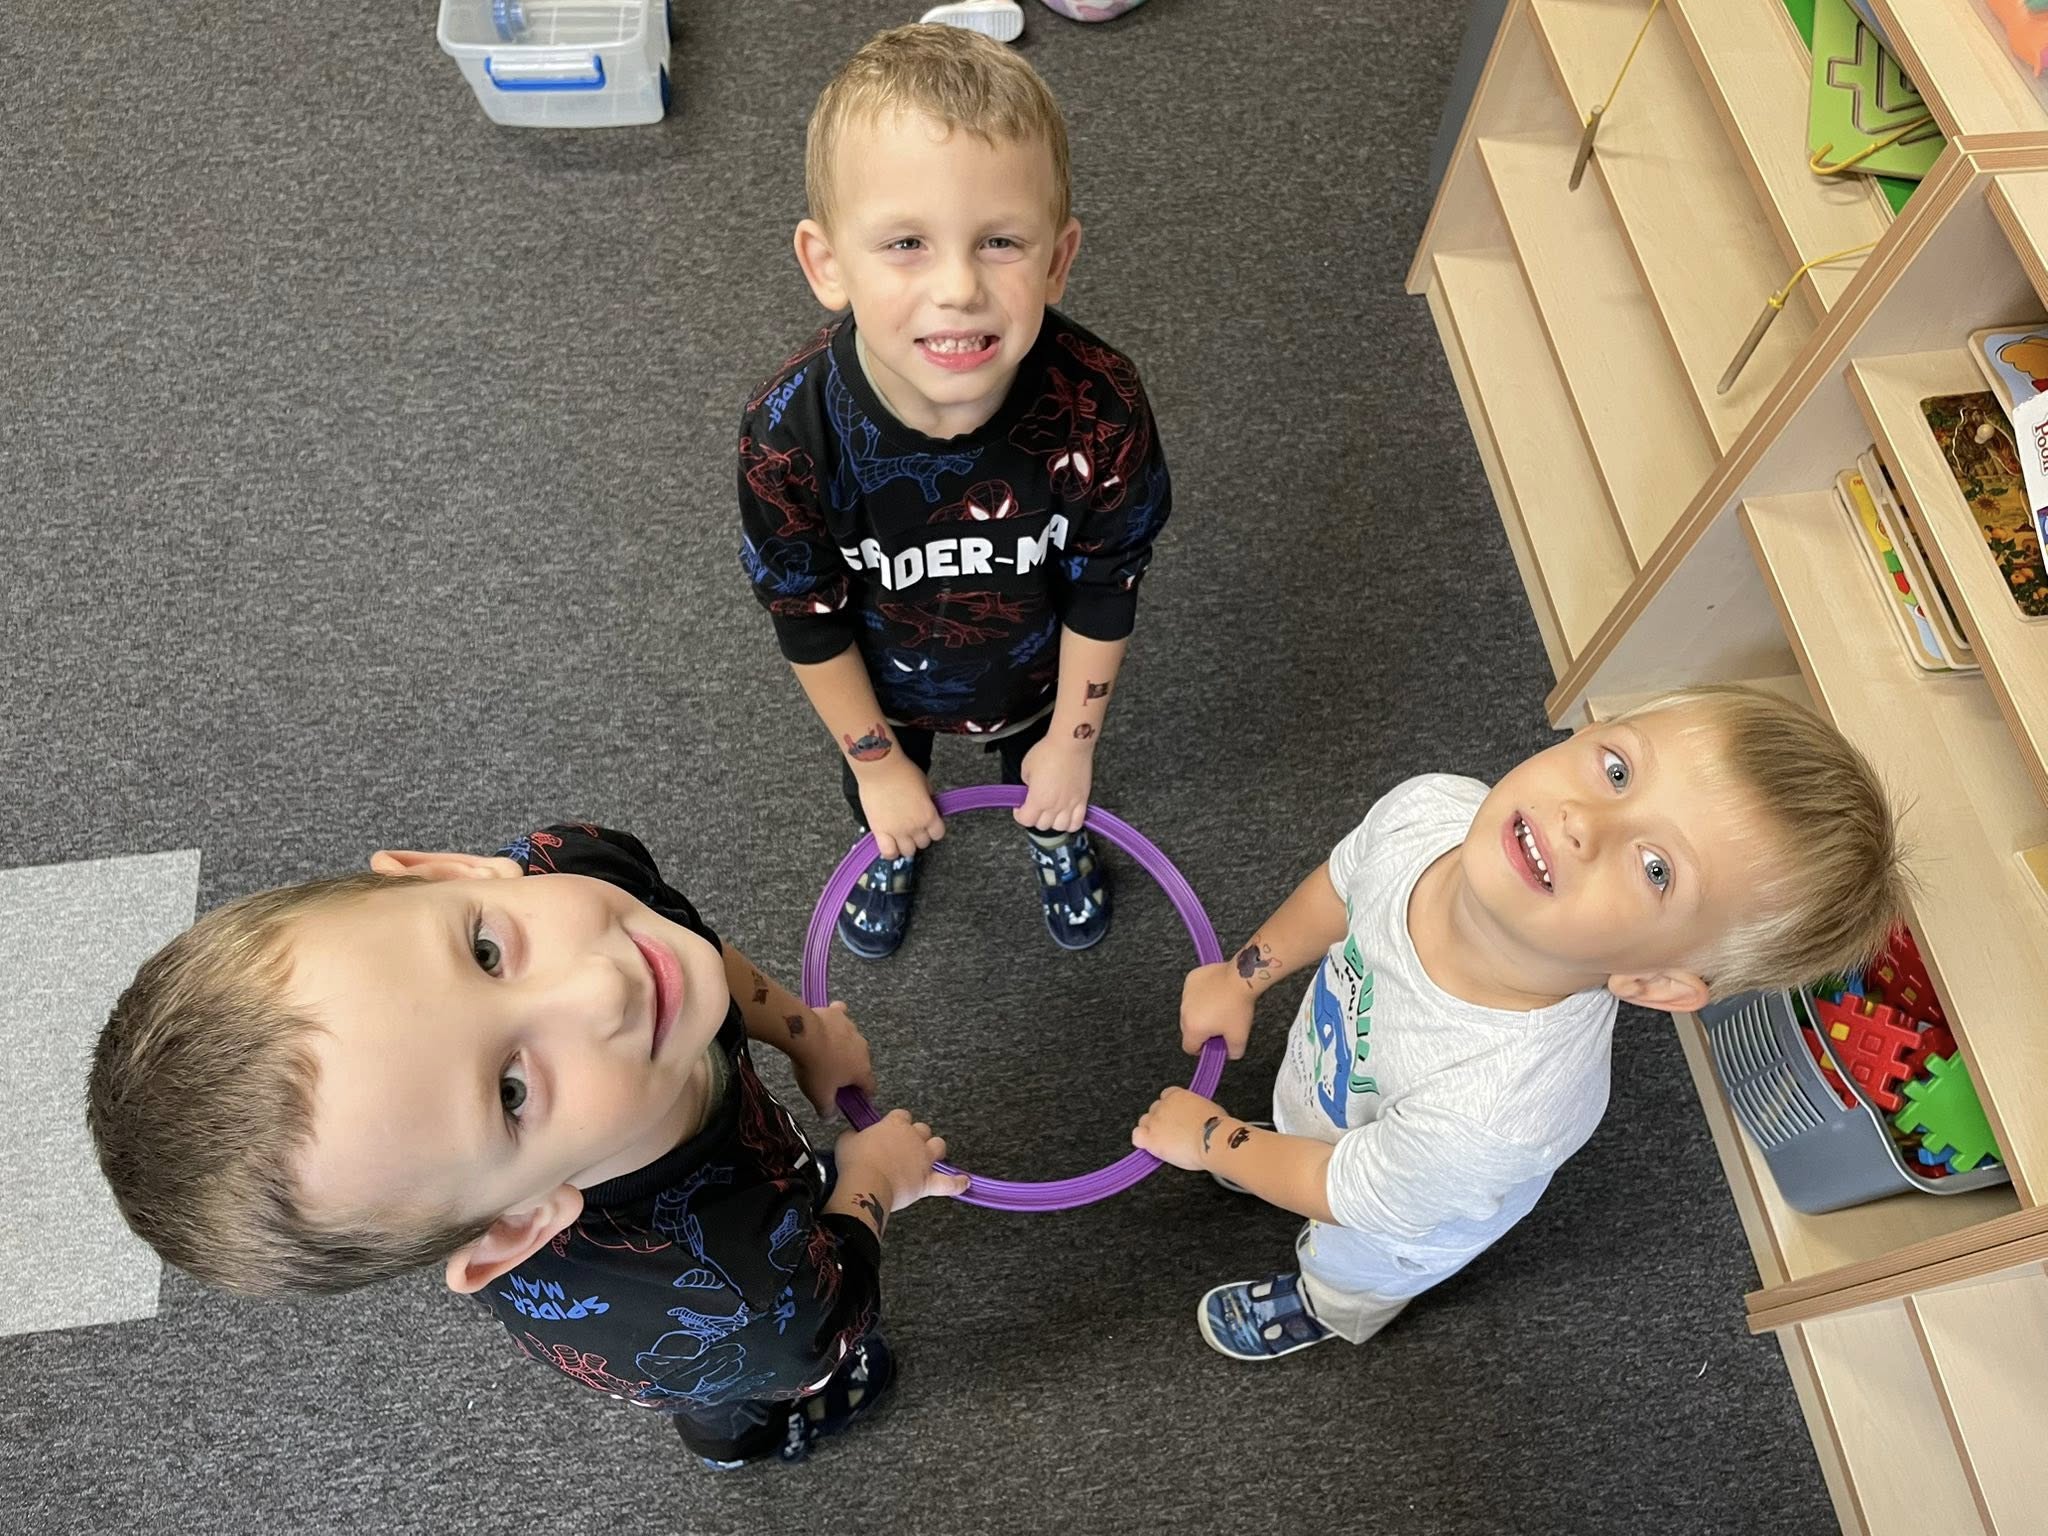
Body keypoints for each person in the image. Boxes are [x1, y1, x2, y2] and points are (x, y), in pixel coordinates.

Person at [87, 822, 966, 1467]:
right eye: (510, 1092)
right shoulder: (753, 1299)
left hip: (730, 1193)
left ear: (451, 872)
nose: (601, 984)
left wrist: (803, 1030)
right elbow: (827, 1322)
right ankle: (739, 1443)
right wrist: (871, 1185)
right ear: (516, 1224)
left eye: (484, 951)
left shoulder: (565, 872)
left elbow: (680, 941)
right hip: (691, 1340)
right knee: (733, 1395)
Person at [1132, 687, 1908, 1360]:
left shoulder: (1500, 1111)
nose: (1583, 822)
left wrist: (1212, 1140)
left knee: (1348, 1266)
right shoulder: (1431, 812)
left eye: (1656, 869)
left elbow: (1350, 1191)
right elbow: (1344, 885)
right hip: (1332, 1095)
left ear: (1651, 981)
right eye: (1618, 771)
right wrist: (1243, 976)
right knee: (1289, 1140)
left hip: (1390, 1215)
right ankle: (1263, 1151)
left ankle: (1326, 1311)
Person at [738, 24, 1171, 960]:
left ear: (1057, 259)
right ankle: (888, 843)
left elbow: (1108, 582)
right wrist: (877, 766)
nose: (959, 287)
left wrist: (1074, 743)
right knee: (888, 797)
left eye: (1001, 241)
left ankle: (1054, 836)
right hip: (884, 691)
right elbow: (806, 616)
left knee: (1047, 783)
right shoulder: (788, 435)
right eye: (905, 242)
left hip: (1037, 676)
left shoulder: (1101, 406)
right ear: (826, 263)